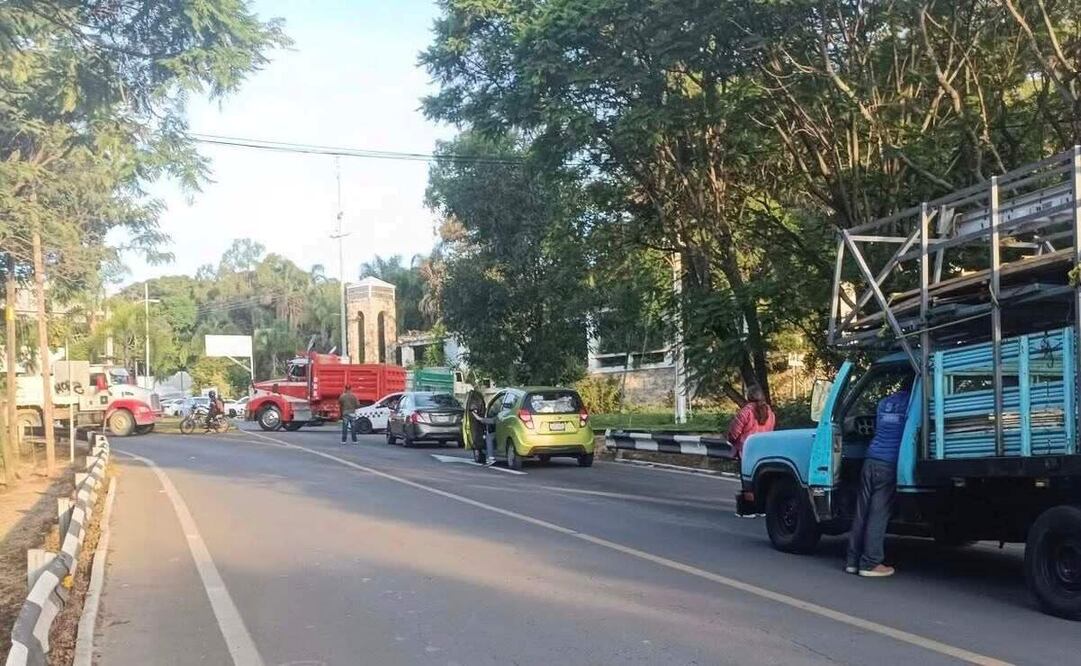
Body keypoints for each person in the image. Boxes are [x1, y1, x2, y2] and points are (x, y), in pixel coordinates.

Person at [846, 375, 913, 578]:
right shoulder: (911, 403)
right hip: (889, 464)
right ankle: (870, 563)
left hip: (871, 459)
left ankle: (852, 561)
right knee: (878, 514)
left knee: (862, 512)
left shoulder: (885, 403)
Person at [726, 386, 776, 460]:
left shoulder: (745, 412)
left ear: (748, 397)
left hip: (746, 452)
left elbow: (733, 434)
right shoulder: (771, 414)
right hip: (764, 452)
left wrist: (733, 443)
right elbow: (770, 432)